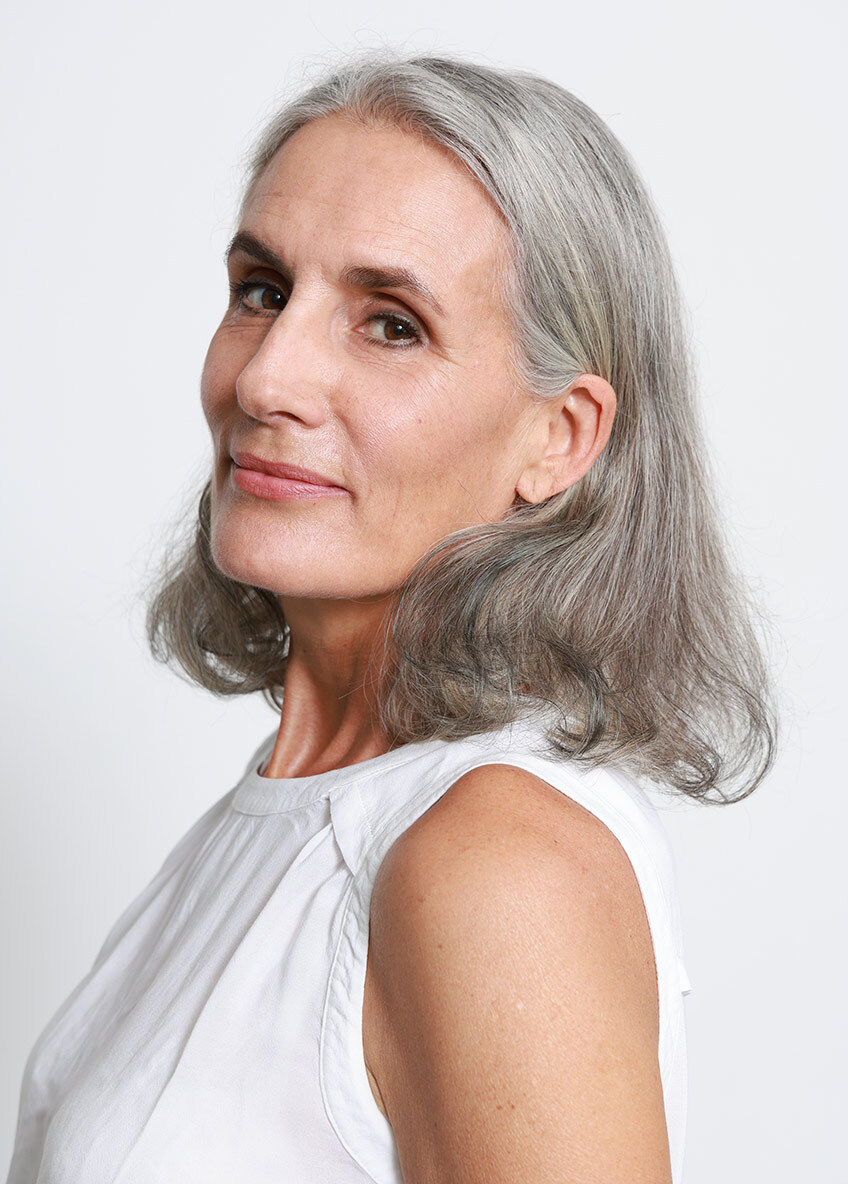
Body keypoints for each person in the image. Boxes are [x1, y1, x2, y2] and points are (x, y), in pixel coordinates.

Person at [5, 50, 775, 1184]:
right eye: (264, 291)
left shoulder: (496, 863)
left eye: (391, 324)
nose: (265, 380)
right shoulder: (294, 813)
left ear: (556, 437)